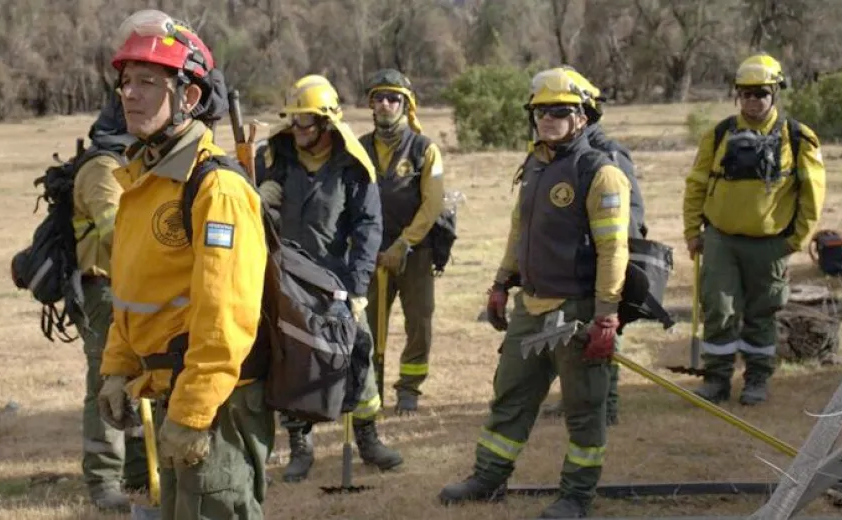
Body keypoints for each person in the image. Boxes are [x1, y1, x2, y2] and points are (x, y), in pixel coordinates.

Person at [96, 10, 273, 519]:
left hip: (217, 405)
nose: (129, 93)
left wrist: (195, 413)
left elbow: (226, 316)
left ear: (189, 98)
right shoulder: (143, 183)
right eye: (126, 81)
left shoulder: (217, 188)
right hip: (175, 396)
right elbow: (131, 290)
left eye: (148, 82)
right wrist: (118, 367)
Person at [439, 67, 632, 518]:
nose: (548, 118)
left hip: (578, 310)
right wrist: (501, 283)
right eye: (541, 111)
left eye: (560, 111)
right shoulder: (536, 164)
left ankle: (577, 497)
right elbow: (518, 232)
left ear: (583, 116)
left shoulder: (600, 173)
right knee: (511, 394)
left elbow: (613, 249)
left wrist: (606, 316)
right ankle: (488, 477)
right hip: (532, 305)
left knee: (584, 409)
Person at [254, 74, 404, 483]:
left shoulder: (352, 168)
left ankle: (368, 438)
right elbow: (251, 216)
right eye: (294, 122)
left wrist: (357, 291)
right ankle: (300, 446)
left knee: (358, 355)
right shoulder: (275, 159)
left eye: (306, 122)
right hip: (286, 282)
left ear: (326, 124)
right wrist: (260, 197)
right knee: (290, 361)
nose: (297, 130)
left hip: (336, 281)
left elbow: (369, 228)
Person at [683, 52, 826, 405]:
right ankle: (716, 379)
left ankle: (757, 379)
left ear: (775, 93)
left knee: (762, 313)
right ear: (736, 95)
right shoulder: (717, 135)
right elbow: (696, 185)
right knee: (719, 308)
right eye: (745, 93)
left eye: (760, 92)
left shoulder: (797, 137)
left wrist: (796, 239)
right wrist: (692, 231)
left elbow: (812, 195)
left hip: (770, 244)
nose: (753, 100)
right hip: (720, 241)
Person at [539, 67, 647, 426]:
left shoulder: (606, 154)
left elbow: (627, 216)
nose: (552, 117)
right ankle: (575, 398)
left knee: (603, 336)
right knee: (571, 340)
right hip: (569, 264)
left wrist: (610, 262)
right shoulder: (560, 153)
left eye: (563, 109)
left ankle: (607, 405)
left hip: (602, 260)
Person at [69, 92, 149, 511]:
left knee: (139, 376)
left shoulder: (127, 163)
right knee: (106, 379)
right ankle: (103, 480)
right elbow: (117, 235)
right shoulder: (102, 168)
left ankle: (137, 468)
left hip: (130, 284)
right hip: (103, 288)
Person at [358, 68, 445, 414]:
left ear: (406, 105)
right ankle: (369, 387)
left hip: (414, 253)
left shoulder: (425, 149)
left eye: (393, 98)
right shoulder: (358, 148)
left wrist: (404, 244)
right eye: (378, 97)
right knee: (366, 326)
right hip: (369, 255)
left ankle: (409, 388)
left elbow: (432, 204)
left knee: (419, 322)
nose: (385, 104)